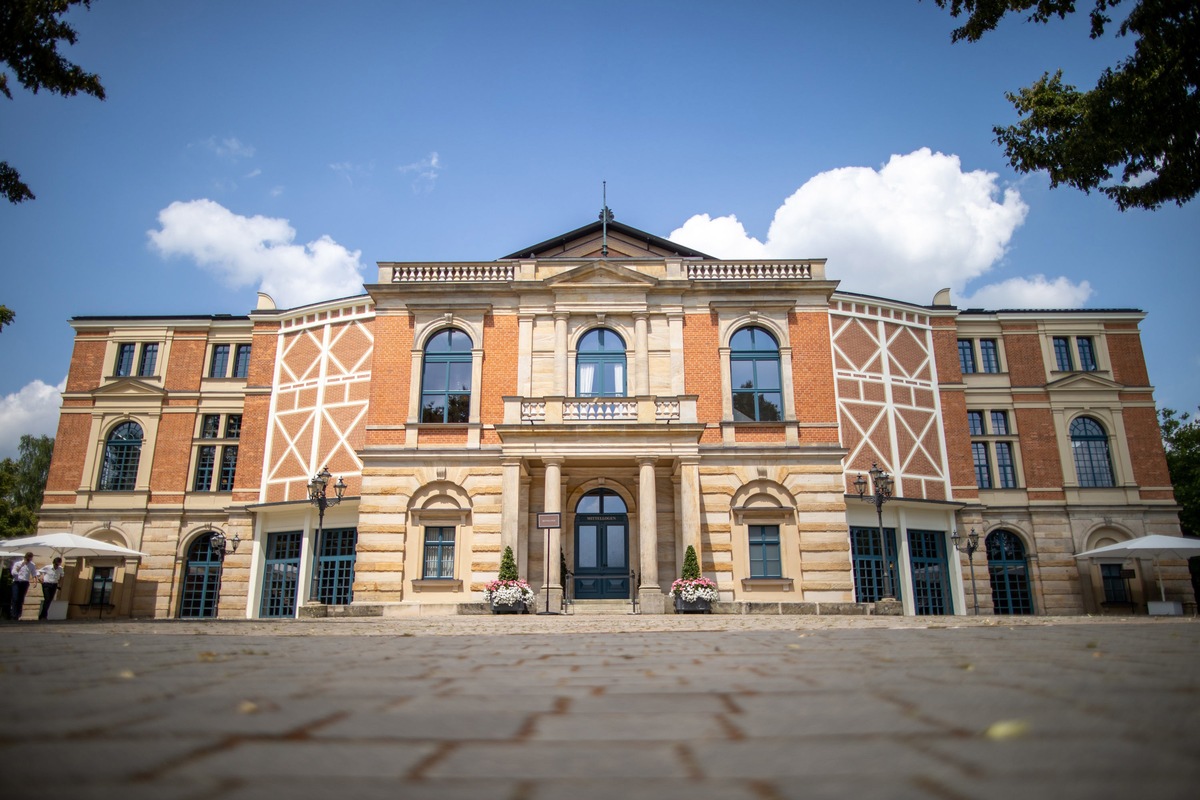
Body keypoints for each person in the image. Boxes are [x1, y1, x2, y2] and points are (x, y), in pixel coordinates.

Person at [10, 553, 37, 621]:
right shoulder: (18, 563)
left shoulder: (32, 565)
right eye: (28, 557)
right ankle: (13, 614)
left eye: (31, 558)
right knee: (15, 598)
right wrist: (21, 566)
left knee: (21, 599)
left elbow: (34, 573)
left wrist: (35, 581)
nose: (29, 559)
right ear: (25, 557)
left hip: (25, 582)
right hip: (17, 582)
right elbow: (13, 572)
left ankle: (18, 615)